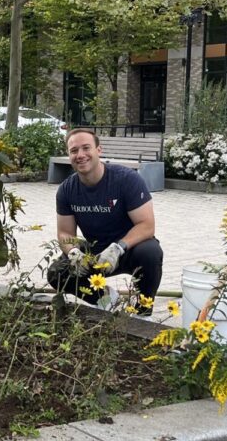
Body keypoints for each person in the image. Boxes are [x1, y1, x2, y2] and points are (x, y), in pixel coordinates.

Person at [47, 128, 163, 314]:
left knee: (150, 252)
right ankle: (109, 301)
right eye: (74, 150)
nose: (80, 155)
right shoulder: (66, 189)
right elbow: (65, 233)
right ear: (68, 155)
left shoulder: (126, 180)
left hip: (128, 249)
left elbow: (147, 225)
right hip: (95, 253)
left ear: (98, 150)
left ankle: (143, 312)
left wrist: (118, 247)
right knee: (57, 272)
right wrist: (74, 252)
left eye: (86, 148)